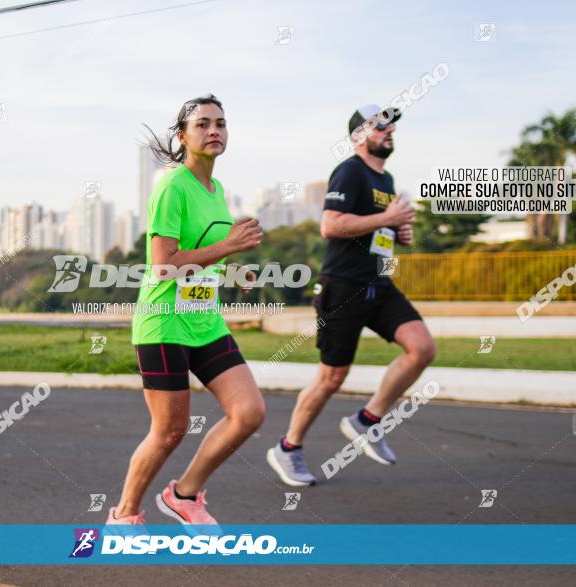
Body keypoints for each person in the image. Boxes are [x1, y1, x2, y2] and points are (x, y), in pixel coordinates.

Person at [107, 94, 266, 526]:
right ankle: (124, 518)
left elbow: (201, 258)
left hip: (204, 320)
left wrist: (233, 273)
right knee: (170, 431)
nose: (213, 130)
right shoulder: (172, 185)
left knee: (249, 413)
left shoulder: (215, 192)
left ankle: (184, 494)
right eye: (202, 124)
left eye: (220, 123)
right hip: (165, 323)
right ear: (182, 136)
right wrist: (230, 246)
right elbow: (163, 265)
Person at [267, 104, 436, 486]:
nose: (389, 132)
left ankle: (367, 420)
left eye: (391, 126)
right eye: (380, 126)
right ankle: (288, 448)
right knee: (331, 377)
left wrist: (398, 233)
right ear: (360, 135)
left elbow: (377, 231)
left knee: (422, 347)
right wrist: (386, 220)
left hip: (378, 283)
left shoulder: (386, 179)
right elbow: (332, 224)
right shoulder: (349, 171)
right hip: (343, 284)